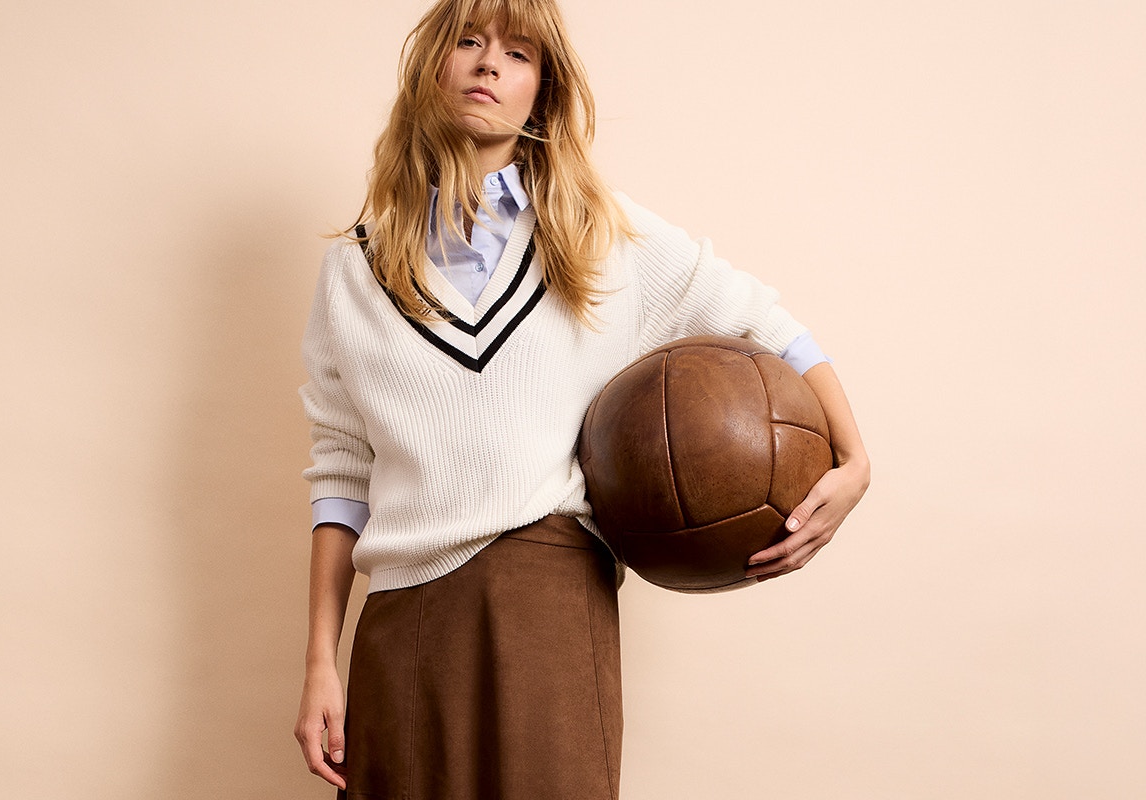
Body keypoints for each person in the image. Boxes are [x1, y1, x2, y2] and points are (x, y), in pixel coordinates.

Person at [294, 0, 870, 797]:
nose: (489, 64)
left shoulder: (599, 232)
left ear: (544, 90)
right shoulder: (354, 271)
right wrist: (321, 661)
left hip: (548, 600)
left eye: (518, 53)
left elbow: (762, 320)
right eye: (467, 41)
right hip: (400, 624)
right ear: (431, 66)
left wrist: (856, 459)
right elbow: (341, 468)